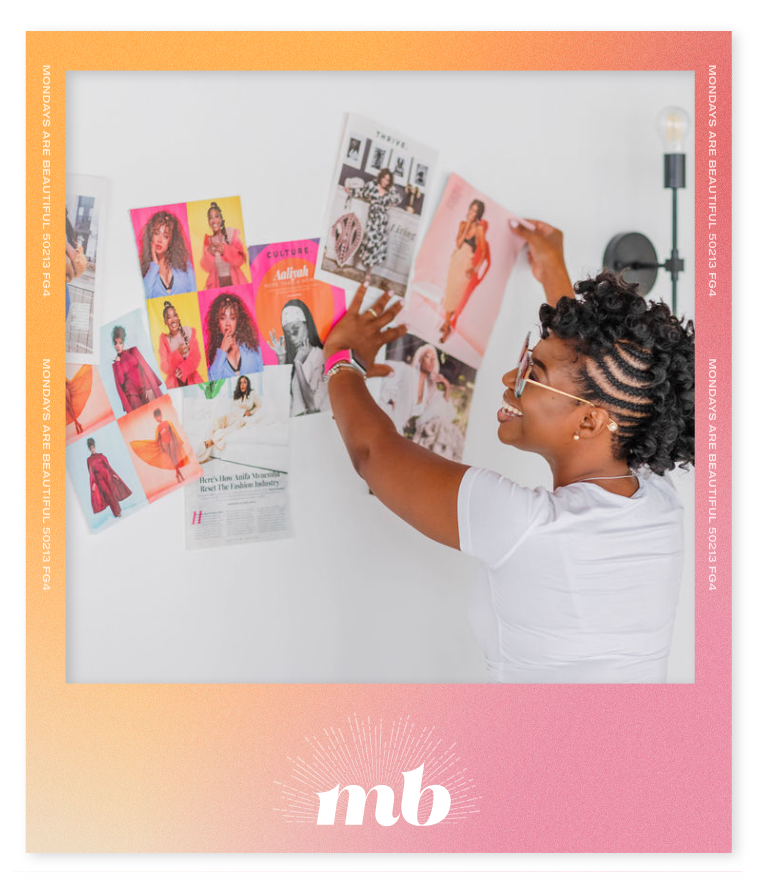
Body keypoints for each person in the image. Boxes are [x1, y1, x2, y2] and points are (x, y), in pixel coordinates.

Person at [321, 219, 695, 684]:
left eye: (530, 374)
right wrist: (552, 271)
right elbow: (593, 376)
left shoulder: (524, 526)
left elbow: (373, 454)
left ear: (589, 421)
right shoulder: (659, 501)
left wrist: (341, 359)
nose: (508, 383)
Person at [268, 299, 329, 416]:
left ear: (307, 325)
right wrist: (281, 359)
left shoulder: (320, 356)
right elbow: (281, 401)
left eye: (296, 330)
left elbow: (312, 406)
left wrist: (298, 365)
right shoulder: (295, 357)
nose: (292, 338)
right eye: (288, 333)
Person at [440, 199, 490, 342]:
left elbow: (484, 253)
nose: (472, 213)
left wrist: (475, 269)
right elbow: (458, 243)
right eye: (471, 209)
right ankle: (446, 323)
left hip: (466, 263)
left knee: (457, 296)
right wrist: (467, 225)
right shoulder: (463, 224)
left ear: (478, 213)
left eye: (475, 211)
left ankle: (447, 324)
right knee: (450, 293)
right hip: (456, 260)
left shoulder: (480, 229)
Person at [344, 168, 401, 278]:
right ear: (381, 177)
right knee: (368, 243)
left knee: (377, 247)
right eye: (384, 179)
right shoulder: (371, 186)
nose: (385, 182)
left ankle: (368, 272)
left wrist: (391, 190)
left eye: (388, 180)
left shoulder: (390, 191)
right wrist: (350, 190)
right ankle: (356, 265)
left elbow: (398, 199)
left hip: (382, 222)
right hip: (372, 220)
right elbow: (361, 192)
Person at [205, 292, 264, 380]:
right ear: (217, 322)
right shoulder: (215, 355)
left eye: (232, 318)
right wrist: (222, 351)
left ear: (238, 321)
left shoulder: (251, 346)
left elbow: (262, 374)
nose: (227, 323)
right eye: (223, 318)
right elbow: (212, 383)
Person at [139, 210, 196, 298]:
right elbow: (144, 298)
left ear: (171, 241)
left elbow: (194, 296)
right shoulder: (146, 271)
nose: (159, 240)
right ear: (151, 236)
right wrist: (154, 266)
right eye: (156, 233)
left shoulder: (184, 265)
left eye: (165, 236)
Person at [111, 325, 163, 413]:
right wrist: (118, 363)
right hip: (132, 394)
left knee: (157, 410)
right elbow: (121, 381)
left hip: (144, 388)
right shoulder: (117, 363)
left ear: (124, 342)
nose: (118, 346)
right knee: (142, 416)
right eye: (115, 343)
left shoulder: (132, 351)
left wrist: (148, 387)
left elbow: (143, 369)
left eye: (120, 342)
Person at [130, 407, 190, 483]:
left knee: (174, 458)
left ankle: (178, 475)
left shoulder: (168, 422)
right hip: (164, 443)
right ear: (155, 418)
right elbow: (157, 439)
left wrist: (178, 441)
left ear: (161, 415)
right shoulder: (157, 428)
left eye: (158, 416)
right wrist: (159, 445)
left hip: (171, 441)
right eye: (156, 417)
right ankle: (179, 475)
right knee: (172, 459)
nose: (158, 418)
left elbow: (173, 433)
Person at [199, 201, 248, 289]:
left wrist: (225, 251)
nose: (214, 220)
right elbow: (206, 268)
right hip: (216, 285)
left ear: (221, 219)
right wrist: (209, 253)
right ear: (208, 221)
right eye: (210, 218)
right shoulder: (208, 240)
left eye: (216, 216)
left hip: (236, 282)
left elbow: (240, 260)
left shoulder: (231, 234)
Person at [158, 301, 204, 389]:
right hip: (174, 384)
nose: (173, 319)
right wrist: (178, 353)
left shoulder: (188, 332)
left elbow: (196, 356)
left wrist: (183, 369)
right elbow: (164, 366)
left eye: (175, 315)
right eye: (169, 317)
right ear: (165, 322)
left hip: (192, 380)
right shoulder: (164, 340)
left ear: (178, 318)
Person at [86, 437, 132, 518]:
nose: (92, 449)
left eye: (93, 447)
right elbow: (91, 473)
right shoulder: (89, 460)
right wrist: (93, 483)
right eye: (91, 448)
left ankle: (119, 512)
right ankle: (117, 513)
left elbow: (108, 466)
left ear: (95, 447)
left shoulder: (101, 455)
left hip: (108, 476)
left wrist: (113, 474)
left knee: (113, 494)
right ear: (89, 449)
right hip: (99, 480)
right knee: (108, 495)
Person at [66, 365, 93, 435]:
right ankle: (77, 424)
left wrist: (68, 387)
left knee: (70, 408)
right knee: (68, 409)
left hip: (64, 388)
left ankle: (77, 424)